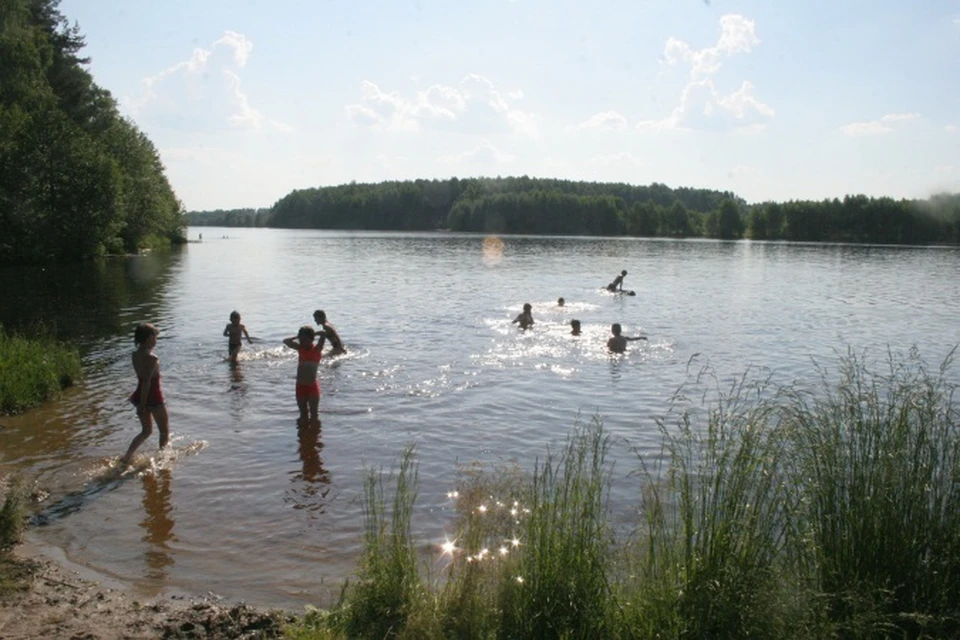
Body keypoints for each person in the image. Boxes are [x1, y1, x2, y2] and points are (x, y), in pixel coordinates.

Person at [121, 323, 170, 466]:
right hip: (153, 396)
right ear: (149, 338)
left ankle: (127, 457)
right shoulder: (152, 358)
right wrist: (143, 405)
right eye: (155, 337)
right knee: (164, 432)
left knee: (146, 431)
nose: (156, 340)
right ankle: (162, 459)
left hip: (139, 394)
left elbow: (141, 379)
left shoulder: (135, 355)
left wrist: (141, 403)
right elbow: (148, 382)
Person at [284, 326, 325, 426]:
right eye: (301, 339)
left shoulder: (317, 349)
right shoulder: (300, 348)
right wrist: (297, 336)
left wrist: (312, 334)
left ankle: (314, 438)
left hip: (312, 387)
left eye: (305, 339)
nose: (302, 342)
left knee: (314, 415)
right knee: (303, 414)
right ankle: (303, 438)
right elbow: (286, 341)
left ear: (311, 339)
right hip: (300, 387)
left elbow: (323, 333)